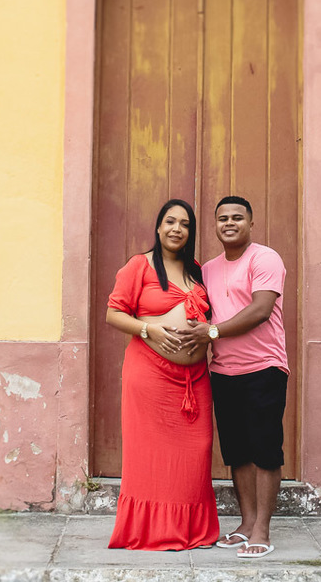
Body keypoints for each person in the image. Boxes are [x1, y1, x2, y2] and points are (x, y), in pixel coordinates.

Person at [104, 198, 221, 551]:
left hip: (193, 381)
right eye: (170, 222)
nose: (176, 229)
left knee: (196, 452)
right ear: (158, 227)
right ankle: (151, 531)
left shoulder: (196, 270)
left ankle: (189, 530)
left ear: (191, 232)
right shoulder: (139, 266)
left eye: (184, 224)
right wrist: (148, 329)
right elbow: (113, 313)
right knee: (150, 458)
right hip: (150, 378)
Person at [177, 195, 288, 560]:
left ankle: (262, 529)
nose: (229, 223)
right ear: (216, 225)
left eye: (237, 217)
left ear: (250, 223)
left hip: (264, 368)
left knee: (265, 451)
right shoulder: (207, 269)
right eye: (222, 218)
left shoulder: (265, 258)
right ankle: (245, 524)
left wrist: (211, 333)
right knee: (238, 452)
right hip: (223, 372)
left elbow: (260, 309)